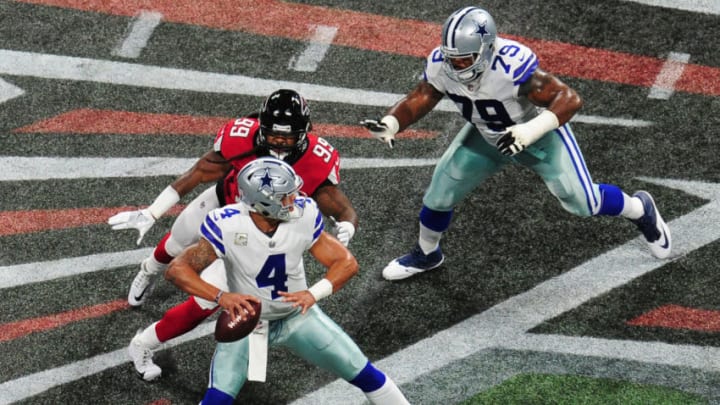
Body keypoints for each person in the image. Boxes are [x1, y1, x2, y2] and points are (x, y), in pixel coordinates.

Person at [361, 6, 671, 281]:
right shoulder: (443, 63)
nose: (456, 66)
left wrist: (530, 131)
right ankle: (427, 254)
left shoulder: (511, 67)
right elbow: (422, 97)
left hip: (537, 137)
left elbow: (569, 99)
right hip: (486, 136)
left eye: (464, 59)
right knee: (439, 193)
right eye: (452, 59)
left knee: (582, 202)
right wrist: (392, 123)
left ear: (485, 49)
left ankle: (639, 209)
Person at [108, 89, 358, 380]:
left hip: (256, 231)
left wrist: (348, 222)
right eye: (273, 134)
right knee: (176, 244)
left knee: (202, 304)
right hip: (225, 207)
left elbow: (334, 200)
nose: (279, 141)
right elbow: (201, 171)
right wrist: (152, 212)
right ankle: (148, 269)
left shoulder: (316, 158)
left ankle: (141, 343)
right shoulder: (240, 138)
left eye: (287, 136)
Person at [164, 157, 410, 404]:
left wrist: (313, 294)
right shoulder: (227, 224)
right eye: (285, 196)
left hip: (296, 316)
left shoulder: (303, 214)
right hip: (250, 323)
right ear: (262, 202)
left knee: (366, 374)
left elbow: (346, 263)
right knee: (216, 400)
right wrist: (221, 296)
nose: (294, 200)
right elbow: (177, 269)